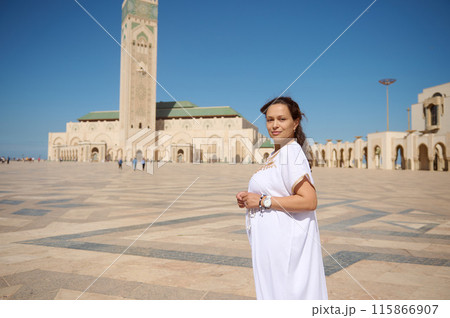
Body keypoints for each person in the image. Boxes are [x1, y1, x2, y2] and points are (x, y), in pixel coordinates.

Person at [236, 97, 328, 300]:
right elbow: (276, 191)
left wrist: (261, 201)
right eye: (270, 120)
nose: (274, 125)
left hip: (285, 249)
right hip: (273, 246)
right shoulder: (277, 154)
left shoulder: (291, 152)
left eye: (281, 119)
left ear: (295, 122)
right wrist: (249, 199)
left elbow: (309, 201)